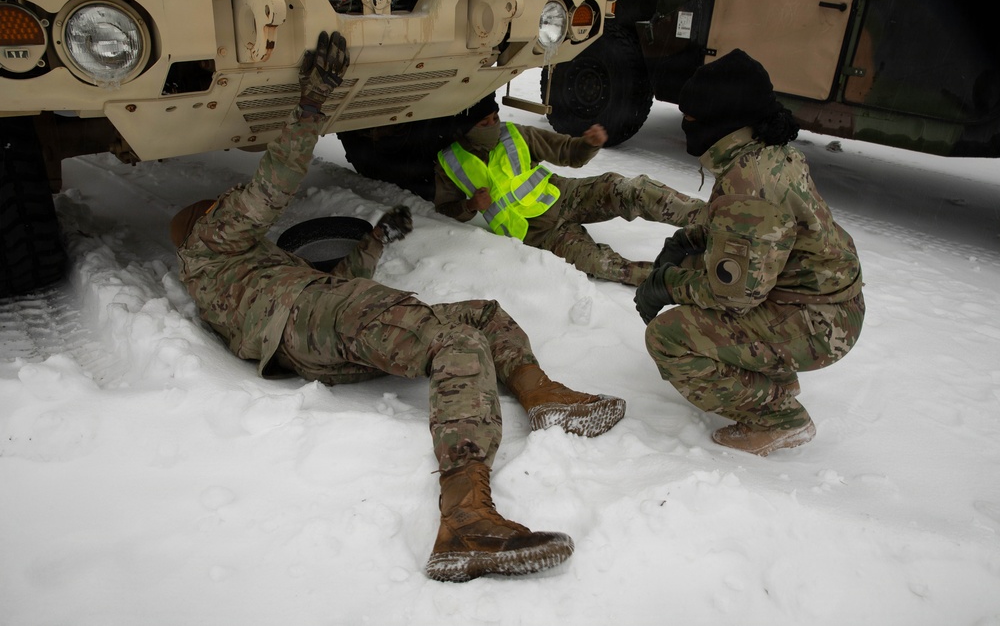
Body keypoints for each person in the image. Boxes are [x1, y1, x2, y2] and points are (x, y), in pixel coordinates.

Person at [170, 31, 627, 582]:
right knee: (453, 342)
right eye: (221, 208)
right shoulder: (212, 239)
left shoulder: (232, 272)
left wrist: (377, 240)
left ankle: (543, 396)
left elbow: (335, 293)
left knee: (481, 314)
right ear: (209, 219)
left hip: (315, 325)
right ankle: (465, 520)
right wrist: (314, 103)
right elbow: (272, 188)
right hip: (311, 316)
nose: (229, 208)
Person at [634, 49, 865, 457]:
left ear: (720, 122)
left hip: (818, 322)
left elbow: (734, 295)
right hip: (817, 300)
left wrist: (666, 285)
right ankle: (771, 376)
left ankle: (779, 419)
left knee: (669, 336)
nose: (687, 124)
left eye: (692, 118)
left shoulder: (749, 182)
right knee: (695, 268)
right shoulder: (766, 152)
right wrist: (688, 243)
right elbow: (739, 233)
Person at [432, 94, 705, 285]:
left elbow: (565, 151)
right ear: (465, 128)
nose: (493, 125)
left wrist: (587, 144)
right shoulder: (450, 163)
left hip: (567, 196)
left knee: (624, 189)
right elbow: (445, 208)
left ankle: (707, 217)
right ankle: (683, 278)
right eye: (484, 123)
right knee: (601, 265)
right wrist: (470, 206)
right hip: (543, 236)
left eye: (495, 117)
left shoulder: (516, 135)